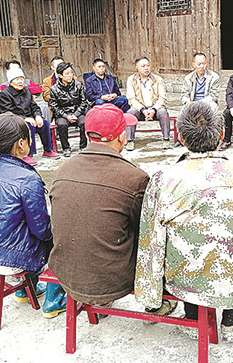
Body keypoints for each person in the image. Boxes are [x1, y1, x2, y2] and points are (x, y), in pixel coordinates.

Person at [135, 101, 233, 342]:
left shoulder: (164, 180)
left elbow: (151, 243)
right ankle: (231, 319)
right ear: (221, 134)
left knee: (175, 240)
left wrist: (151, 295)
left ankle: (191, 316)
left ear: (180, 136)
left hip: (187, 283)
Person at [49, 104, 159, 310]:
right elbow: (145, 230)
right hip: (112, 279)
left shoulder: (65, 168)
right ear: (121, 137)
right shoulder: (135, 177)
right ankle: (154, 304)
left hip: (66, 272)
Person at [0, 113, 67, 318]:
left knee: (17, 227)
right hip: (10, 259)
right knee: (63, 237)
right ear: (21, 144)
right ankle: (53, 300)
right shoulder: (27, 178)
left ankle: (24, 289)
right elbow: (42, 231)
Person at [0, 64, 59, 165]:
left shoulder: (27, 91)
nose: (20, 82)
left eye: (22, 79)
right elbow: (7, 112)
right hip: (14, 121)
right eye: (17, 79)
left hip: (30, 118)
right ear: (10, 81)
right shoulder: (4, 94)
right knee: (29, 126)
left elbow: (34, 106)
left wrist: (38, 116)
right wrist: (24, 119)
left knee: (44, 123)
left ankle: (48, 150)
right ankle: (27, 154)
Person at [126, 56, 170, 150]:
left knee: (163, 112)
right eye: (143, 66)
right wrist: (143, 110)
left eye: (148, 66)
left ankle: (166, 139)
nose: (146, 68)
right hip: (140, 110)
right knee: (130, 113)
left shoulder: (158, 79)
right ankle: (130, 141)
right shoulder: (131, 80)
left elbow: (163, 98)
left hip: (155, 109)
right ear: (137, 67)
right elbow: (131, 99)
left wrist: (153, 109)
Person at [48, 62, 88, 157]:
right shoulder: (54, 89)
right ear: (60, 75)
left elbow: (84, 102)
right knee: (62, 124)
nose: (70, 76)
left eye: (71, 73)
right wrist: (66, 116)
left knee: (84, 122)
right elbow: (54, 106)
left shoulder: (78, 85)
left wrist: (76, 114)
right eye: (67, 74)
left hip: (76, 112)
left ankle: (83, 146)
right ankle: (66, 148)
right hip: (62, 114)